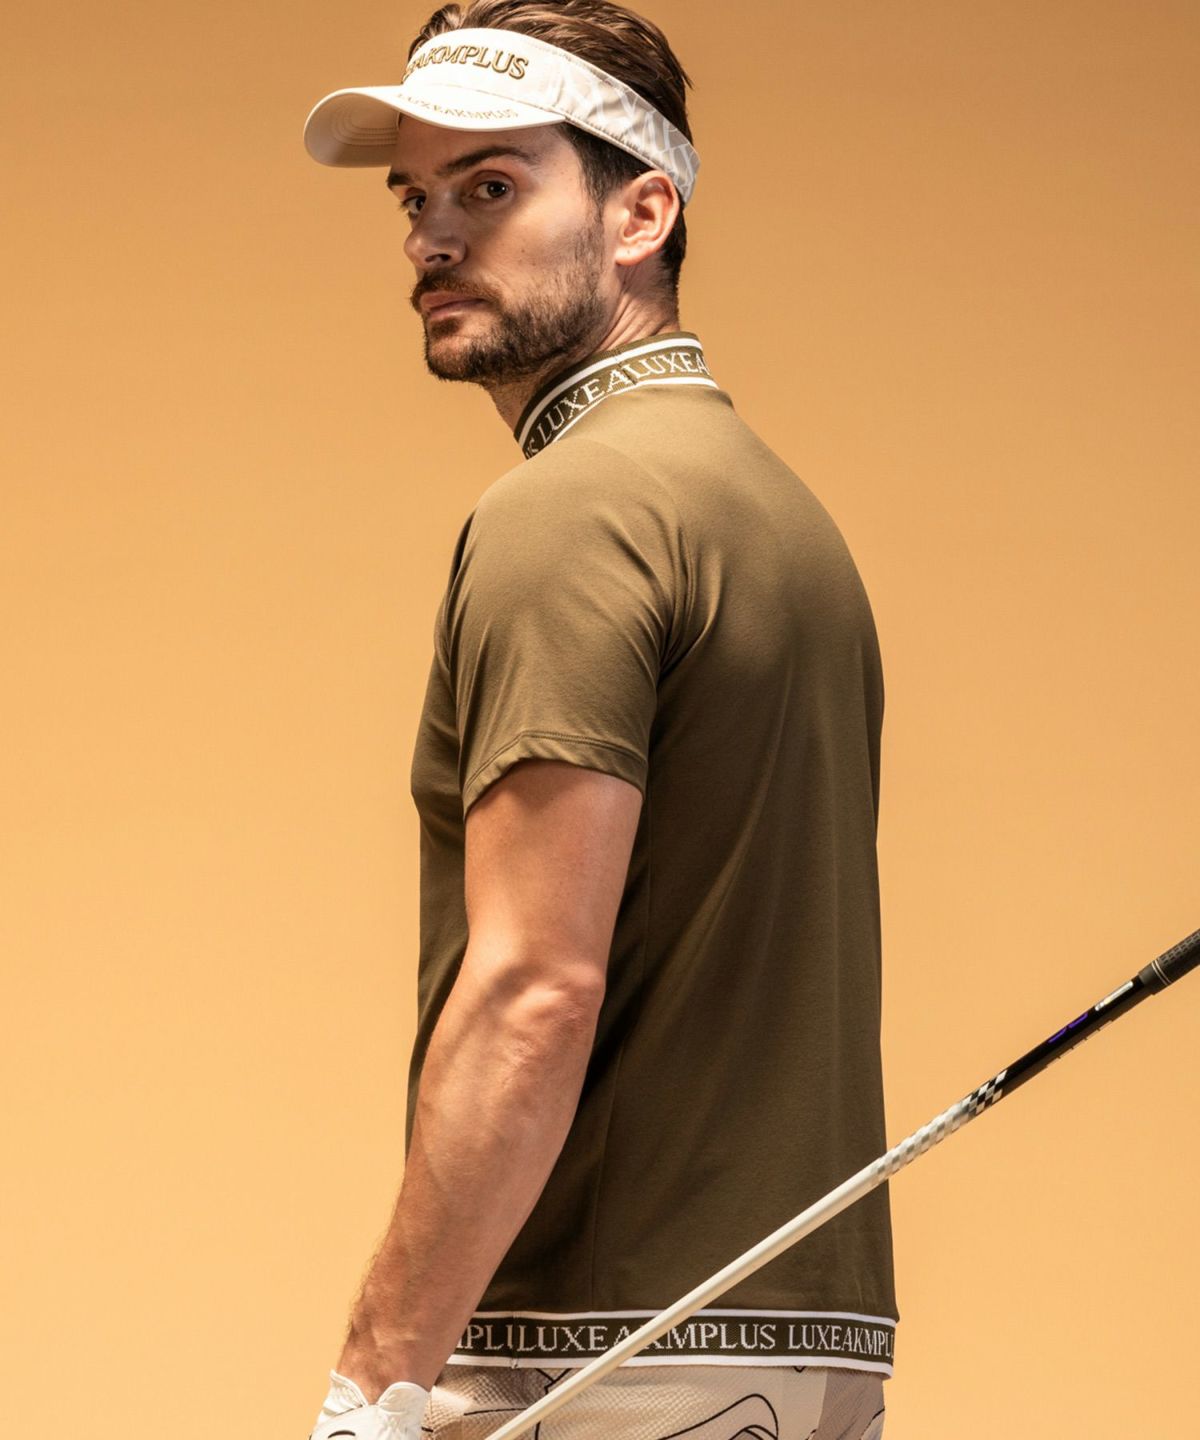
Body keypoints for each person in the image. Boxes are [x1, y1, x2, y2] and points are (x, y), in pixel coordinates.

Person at [302, 3, 897, 1437]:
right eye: (416, 198)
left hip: (596, 1360)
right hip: (803, 1354)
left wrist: (373, 1383)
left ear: (643, 213)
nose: (434, 239)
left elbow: (533, 990)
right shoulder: (774, 513)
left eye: (491, 186)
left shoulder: (570, 514)